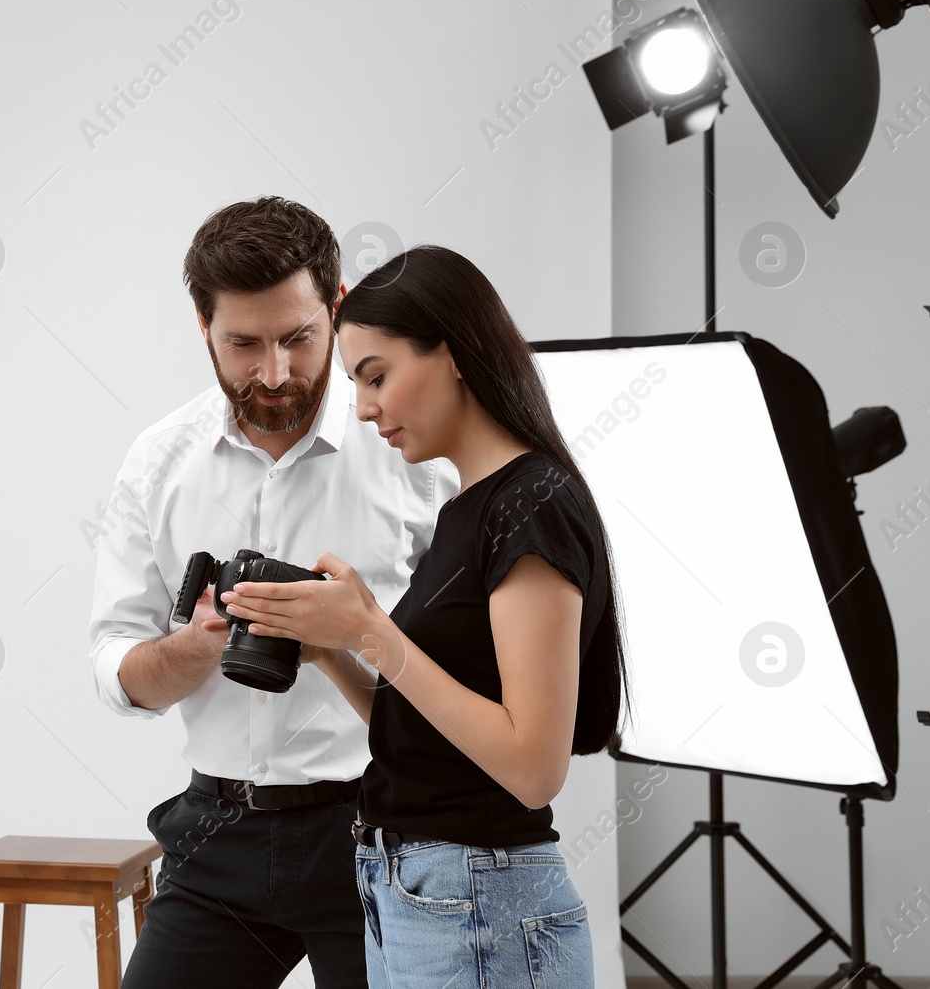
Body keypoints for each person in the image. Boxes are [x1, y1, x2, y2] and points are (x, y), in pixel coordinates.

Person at [220, 245, 630, 989]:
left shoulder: (530, 505)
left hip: (479, 899)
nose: (366, 406)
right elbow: (430, 730)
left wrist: (374, 628)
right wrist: (335, 650)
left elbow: (534, 768)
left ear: (454, 351)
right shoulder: (466, 512)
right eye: (356, 384)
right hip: (418, 892)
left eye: (377, 375)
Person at [88, 198, 460, 989]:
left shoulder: (417, 453)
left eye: (297, 338)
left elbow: (478, 666)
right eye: (243, 344)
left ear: (338, 307)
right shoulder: (157, 462)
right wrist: (188, 653)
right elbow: (115, 668)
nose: (275, 373)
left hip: (379, 829)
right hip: (217, 830)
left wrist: (355, 632)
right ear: (203, 327)